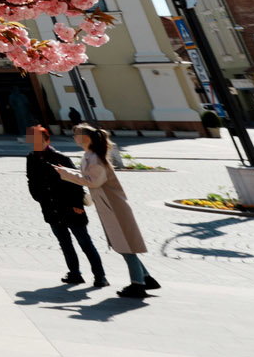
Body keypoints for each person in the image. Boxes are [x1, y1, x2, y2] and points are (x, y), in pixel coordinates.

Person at [55, 124, 159, 299]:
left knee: (125, 245)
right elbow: (89, 176)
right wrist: (65, 171)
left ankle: (138, 285)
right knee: (122, 244)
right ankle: (146, 278)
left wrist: (65, 173)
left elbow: (93, 181)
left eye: (76, 135)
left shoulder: (95, 157)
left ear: (85, 138)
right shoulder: (90, 155)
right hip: (108, 206)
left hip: (114, 207)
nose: (74, 138)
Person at [24, 123, 105, 287]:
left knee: (85, 243)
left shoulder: (61, 158)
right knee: (65, 244)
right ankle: (74, 273)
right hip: (50, 208)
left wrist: (77, 205)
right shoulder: (31, 158)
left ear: (47, 140)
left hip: (70, 207)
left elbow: (77, 184)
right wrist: (40, 198)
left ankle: (100, 276)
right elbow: (32, 181)